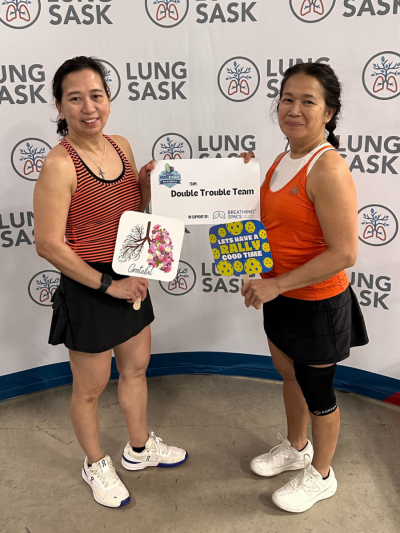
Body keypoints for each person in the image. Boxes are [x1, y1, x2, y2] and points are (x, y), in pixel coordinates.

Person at [33, 56, 188, 509]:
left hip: (131, 275)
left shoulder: (121, 146)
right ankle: (95, 463)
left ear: (109, 99)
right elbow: (48, 245)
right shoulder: (59, 164)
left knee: (136, 368)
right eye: (75, 98)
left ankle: (139, 448)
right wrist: (107, 285)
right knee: (90, 389)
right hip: (90, 286)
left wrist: (144, 188)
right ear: (59, 107)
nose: (88, 107)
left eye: (96, 95)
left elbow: (130, 216)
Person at [239, 62, 368, 513]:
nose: (294, 109)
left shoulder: (327, 168)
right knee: (289, 374)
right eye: (287, 99)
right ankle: (297, 448)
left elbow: (344, 253)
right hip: (280, 296)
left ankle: (322, 474)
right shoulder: (281, 158)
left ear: (329, 113)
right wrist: (237, 180)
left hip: (317, 301)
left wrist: (278, 285)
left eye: (308, 101)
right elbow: (272, 225)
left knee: (318, 391)